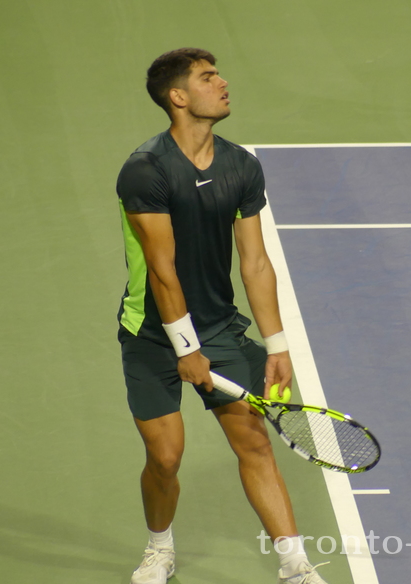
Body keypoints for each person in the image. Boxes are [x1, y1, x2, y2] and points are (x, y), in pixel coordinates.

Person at [115, 48, 329, 584]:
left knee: (254, 442)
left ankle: (295, 568)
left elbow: (255, 262)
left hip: (219, 328)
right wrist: (186, 350)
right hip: (150, 334)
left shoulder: (240, 166)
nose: (224, 82)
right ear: (178, 97)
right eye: (208, 78)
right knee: (165, 457)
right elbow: (163, 272)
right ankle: (159, 548)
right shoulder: (145, 171)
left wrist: (277, 346)